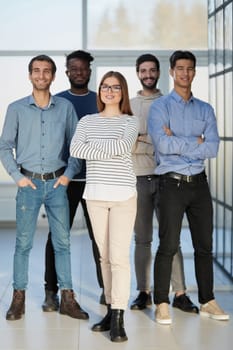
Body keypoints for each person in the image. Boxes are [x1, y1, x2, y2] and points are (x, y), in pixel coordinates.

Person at [0, 54, 89, 321]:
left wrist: (68, 175)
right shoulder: (16, 108)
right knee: (23, 244)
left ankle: (67, 299)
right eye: (36, 71)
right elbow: (5, 146)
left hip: (57, 183)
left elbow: (77, 146)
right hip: (27, 184)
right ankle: (19, 298)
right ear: (30, 75)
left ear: (53, 76)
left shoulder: (65, 108)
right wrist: (17, 176)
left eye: (46, 71)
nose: (41, 75)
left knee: (62, 243)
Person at [148, 50, 230, 324]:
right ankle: (161, 303)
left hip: (199, 186)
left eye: (190, 69)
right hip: (171, 185)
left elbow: (213, 147)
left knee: (204, 246)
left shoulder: (205, 109)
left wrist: (180, 140)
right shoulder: (160, 107)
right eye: (180, 68)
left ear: (195, 72)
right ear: (171, 71)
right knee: (168, 245)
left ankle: (208, 300)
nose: (185, 73)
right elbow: (162, 144)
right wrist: (195, 142)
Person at [70, 71, 139, 342]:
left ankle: (119, 318)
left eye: (115, 87)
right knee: (104, 257)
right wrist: (107, 147)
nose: (109, 91)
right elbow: (76, 150)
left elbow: (124, 147)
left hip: (123, 195)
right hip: (95, 196)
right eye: (104, 87)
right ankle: (110, 310)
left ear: (122, 92)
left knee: (119, 258)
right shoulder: (87, 121)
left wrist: (94, 146)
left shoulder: (130, 121)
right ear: (99, 92)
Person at [130, 53, 198, 313]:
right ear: (138, 73)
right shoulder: (130, 105)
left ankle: (180, 293)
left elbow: (181, 141)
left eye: (152, 70)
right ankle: (143, 292)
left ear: (160, 72)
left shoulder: (171, 102)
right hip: (138, 178)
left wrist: (143, 138)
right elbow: (127, 144)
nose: (148, 74)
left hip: (169, 179)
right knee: (142, 239)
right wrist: (159, 138)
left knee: (172, 240)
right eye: (143, 70)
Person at [42, 50, 105, 313]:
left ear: (90, 71)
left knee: (100, 237)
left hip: (96, 180)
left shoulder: (101, 101)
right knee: (58, 235)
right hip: (64, 181)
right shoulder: (56, 102)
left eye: (83, 68)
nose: (79, 73)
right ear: (66, 72)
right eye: (73, 68)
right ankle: (50, 292)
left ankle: (107, 288)